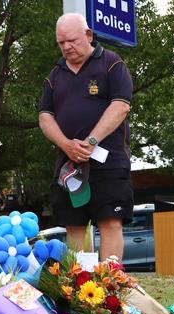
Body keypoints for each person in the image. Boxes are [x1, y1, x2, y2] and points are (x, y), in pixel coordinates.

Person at [38, 13, 134, 261]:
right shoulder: (54, 76)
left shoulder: (112, 63)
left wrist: (91, 141)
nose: (66, 47)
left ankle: (111, 286)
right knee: (74, 225)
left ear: (88, 35)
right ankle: (82, 290)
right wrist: (66, 144)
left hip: (108, 161)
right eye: (61, 43)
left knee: (110, 221)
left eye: (72, 40)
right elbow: (45, 117)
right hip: (69, 166)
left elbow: (121, 106)